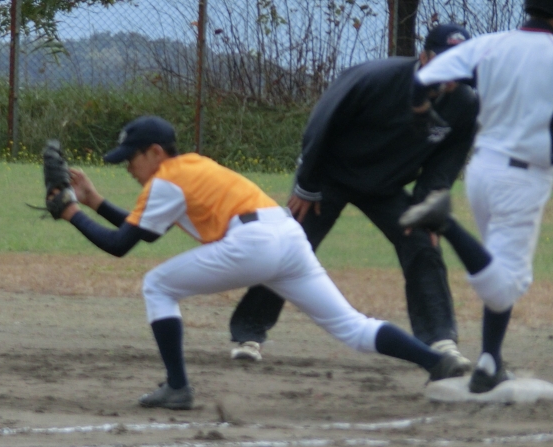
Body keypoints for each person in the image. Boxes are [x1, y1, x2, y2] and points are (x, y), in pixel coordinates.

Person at [47, 115, 466, 410]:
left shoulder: (166, 181)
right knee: (352, 326)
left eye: (130, 158)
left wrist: (70, 212)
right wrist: (93, 202)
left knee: (158, 285)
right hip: (286, 236)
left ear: (155, 152)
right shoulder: (193, 168)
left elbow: (120, 245)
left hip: (253, 244)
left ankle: (177, 387)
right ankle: (437, 363)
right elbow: (143, 230)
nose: (128, 167)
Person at [228, 24, 479, 369]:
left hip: (386, 185)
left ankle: (439, 341)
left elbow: (444, 164)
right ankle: (249, 333)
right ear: (423, 57)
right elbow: (322, 122)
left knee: (422, 244)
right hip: (332, 174)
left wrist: (426, 206)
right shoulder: (379, 79)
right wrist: (307, 184)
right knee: (290, 244)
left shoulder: (464, 103)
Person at [400, 0, 553, 393]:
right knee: (505, 285)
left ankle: (489, 361)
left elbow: (422, 80)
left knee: (496, 265)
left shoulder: (492, 44)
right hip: (523, 178)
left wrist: (422, 114)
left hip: (482, 170)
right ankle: (444, 222)